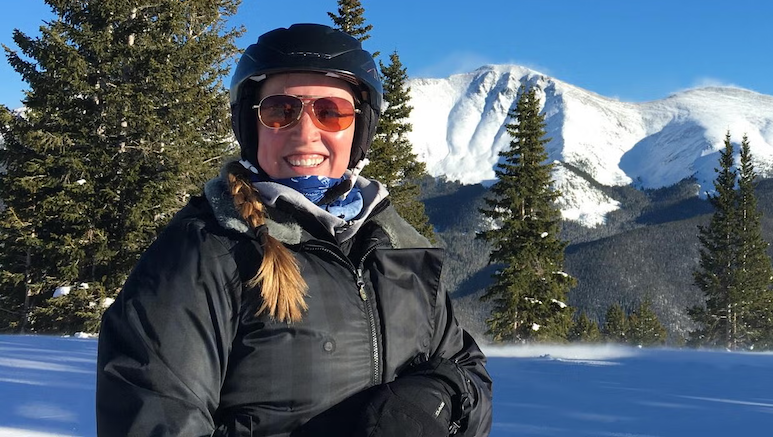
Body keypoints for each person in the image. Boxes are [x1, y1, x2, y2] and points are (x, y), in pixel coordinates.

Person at [96, 23, 492, 437]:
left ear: (359, 128)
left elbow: (469, 372)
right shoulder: (205, 253)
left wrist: (437, 398)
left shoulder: (398, 250)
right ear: (253, 126)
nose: (306, 133)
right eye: (280, 111)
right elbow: (155, 416)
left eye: (331, 113)